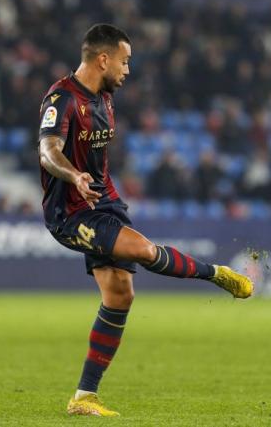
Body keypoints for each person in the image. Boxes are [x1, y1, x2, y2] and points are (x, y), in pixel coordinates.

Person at [37, 23, 254, 417]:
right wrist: (74, 176)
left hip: (104, 202)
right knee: (142, 249)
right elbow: (47, 151)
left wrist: (94, 184)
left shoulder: (104, 97)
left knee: (120, 295)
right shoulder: (61, 99)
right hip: (69, 212)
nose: (128, 70)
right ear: (103, 59)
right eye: (125, 61)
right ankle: (216, 274)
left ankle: (84, 398)